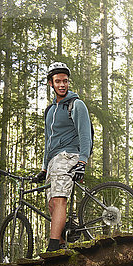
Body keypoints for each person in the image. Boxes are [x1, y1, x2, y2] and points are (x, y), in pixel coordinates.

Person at [33, 61, 92, 251]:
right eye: (58, 81)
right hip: (53, 161)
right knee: (52, 204)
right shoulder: (50, 111)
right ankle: (61, 243)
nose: (62, 85)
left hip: (69, 156)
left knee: (59, 200)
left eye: (65, 81)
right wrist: (44, 168)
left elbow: (85, 134)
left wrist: (82, 161)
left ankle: (52, 248)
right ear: (51, 83)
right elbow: (49, 140)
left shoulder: (76, 105)